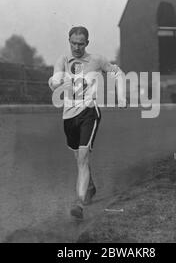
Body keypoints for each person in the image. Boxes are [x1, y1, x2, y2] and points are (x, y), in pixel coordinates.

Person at [49, 26, 127, 219]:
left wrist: (122, 97)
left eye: (81, 43)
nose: (77, 47)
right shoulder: (62, 60)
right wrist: (55, 82)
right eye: (73, 43)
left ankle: (79, 204)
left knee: (83, 158)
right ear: (69, 41)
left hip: (89, 112)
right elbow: (55, 79)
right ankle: (90, 187)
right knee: (79, 159)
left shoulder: (96, 60)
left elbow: (117, 73)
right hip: (69, 115)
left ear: (87, 43)